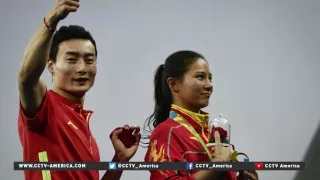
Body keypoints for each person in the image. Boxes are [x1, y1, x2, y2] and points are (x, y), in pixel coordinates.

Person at [17, 0, 140, 179]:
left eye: (89, 60)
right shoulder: (44, 106)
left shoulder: (84, 126)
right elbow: (26, 78)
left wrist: (119, 161)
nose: (82, 68)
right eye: (72, 59)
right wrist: (50, 21)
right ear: (50, 65)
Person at [143, 50, 258, 180]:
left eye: (210, 78)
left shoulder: (209, 134)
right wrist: (219, 163)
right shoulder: (166, 132)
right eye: (200, 77)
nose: (210, 85)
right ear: (174, 84)